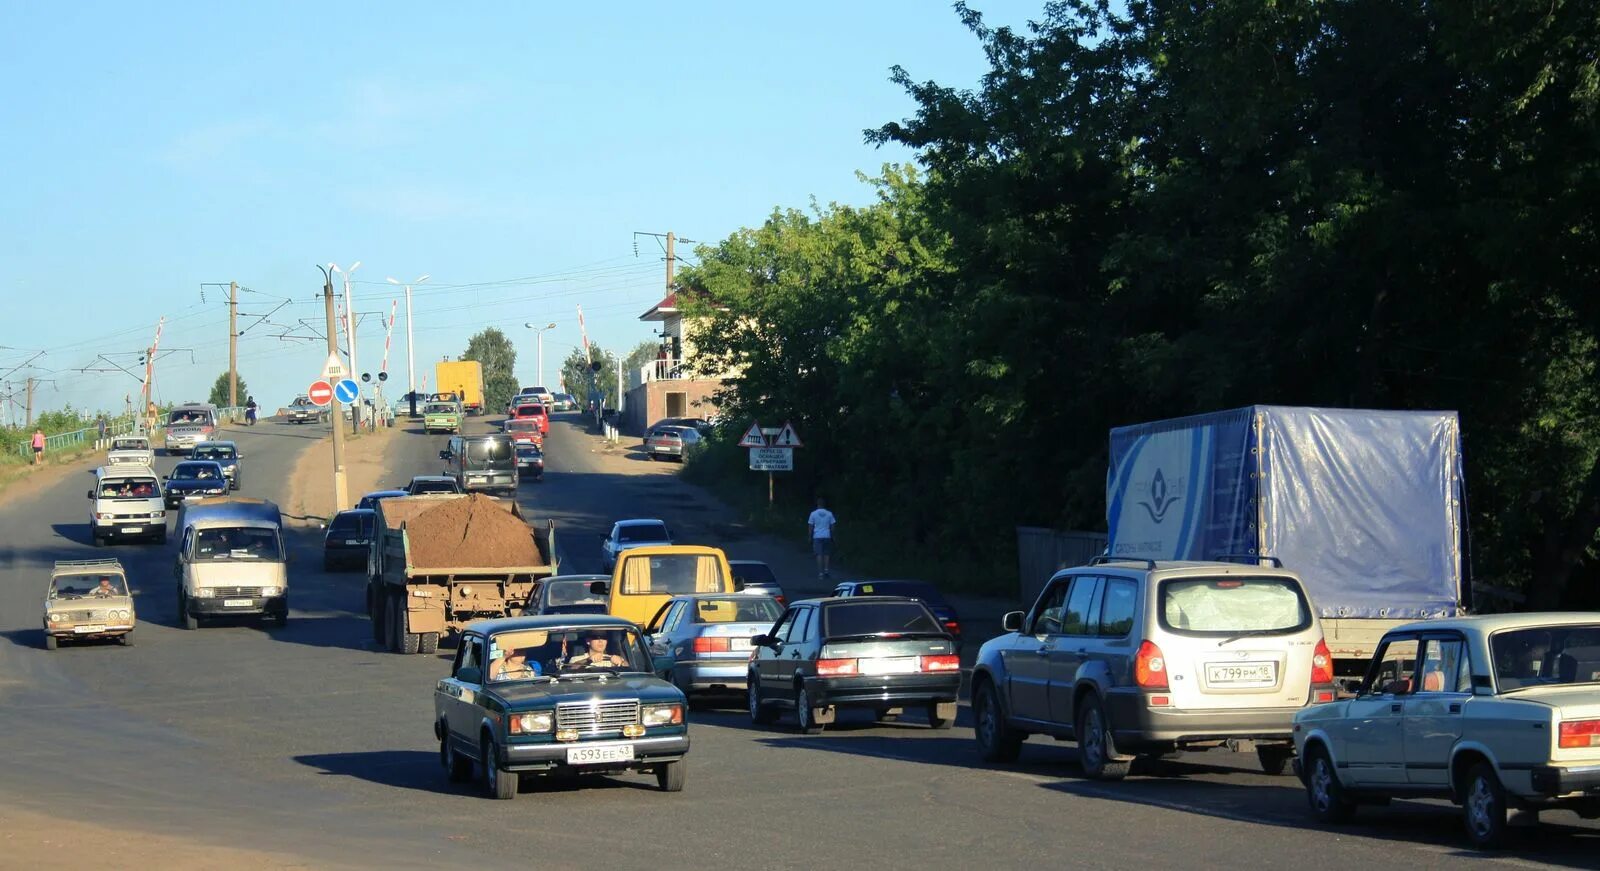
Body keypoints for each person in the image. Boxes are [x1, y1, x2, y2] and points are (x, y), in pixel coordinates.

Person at [808, 497, 837, 580]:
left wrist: (810, 536)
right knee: (826, 554)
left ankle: (820, 573)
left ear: (817, 504)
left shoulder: (813, 514)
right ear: (824, 504)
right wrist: (833, 536)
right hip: (827, 536)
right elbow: (833, 526)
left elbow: (810, 526)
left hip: (817, 536)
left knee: (819, 554)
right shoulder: (829, 514)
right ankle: (826, 571)